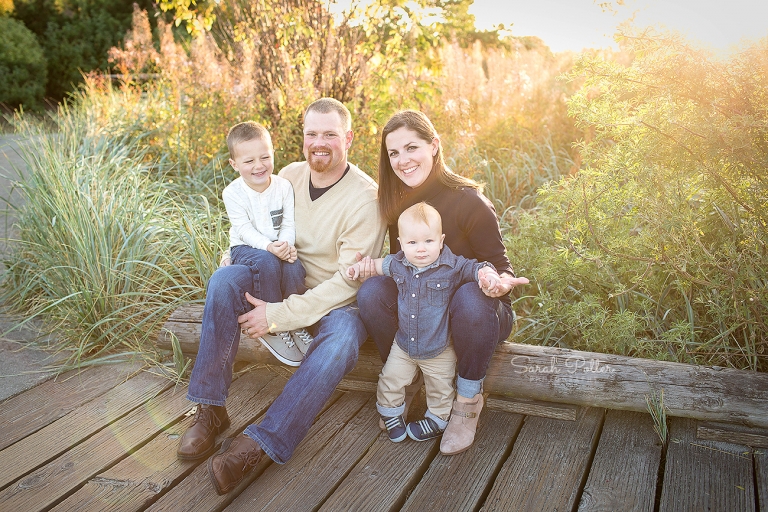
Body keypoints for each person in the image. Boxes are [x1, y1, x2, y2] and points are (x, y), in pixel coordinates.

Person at [176, 98, 386, 496]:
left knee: (341, 340)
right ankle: (210, 408)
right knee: (223, 281)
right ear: (302, 137)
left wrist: (279, 315)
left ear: (349, 138)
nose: (318, 143)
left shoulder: (365, 200)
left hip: (333, 304)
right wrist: (233, 256)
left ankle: (260, 443)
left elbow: (347, 283)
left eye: (329, 134)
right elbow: (252, 229)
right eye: (311, 134)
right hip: (278, 281)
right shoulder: (287, 174)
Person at [357, 109, 529, 456]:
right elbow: (401, 266)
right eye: (394, 153)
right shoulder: (398, 201)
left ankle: (466, 403)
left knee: (469, 297)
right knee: (372, 292)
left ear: (434, 146)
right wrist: (367, 267)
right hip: (424, 312)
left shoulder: (469, 200)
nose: (403, 161)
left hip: (481, 314)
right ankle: (409, 376)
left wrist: (500, 282)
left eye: (411, 148)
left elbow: (500, 264)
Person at [347, 202, 501, 443]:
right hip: (404, 346)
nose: (421, 249)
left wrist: (488, 275)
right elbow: (378, 265)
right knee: (390, 380)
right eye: (412, 243)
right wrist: (358, 268)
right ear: (401, 243)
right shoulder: (398, 263)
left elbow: (475, 267)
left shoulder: (451, 266)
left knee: (441, 390)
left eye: (428, 241)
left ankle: (437, 420)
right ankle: (391, 412)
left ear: (441, 241)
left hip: (438, 348)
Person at [221, 120, 312, 366]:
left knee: (294, 266)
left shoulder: (283, 186)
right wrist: (271, 248)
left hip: (275, 246)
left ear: (273, 153)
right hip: (245, 248)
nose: (259, 166)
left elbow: (288, 223)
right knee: (267, 260)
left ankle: (295, 322)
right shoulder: (232, 193)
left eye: (265, 157)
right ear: (234, 164)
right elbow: (243, 229)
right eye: (249, 161)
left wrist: (285, 245)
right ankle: (274, 327)